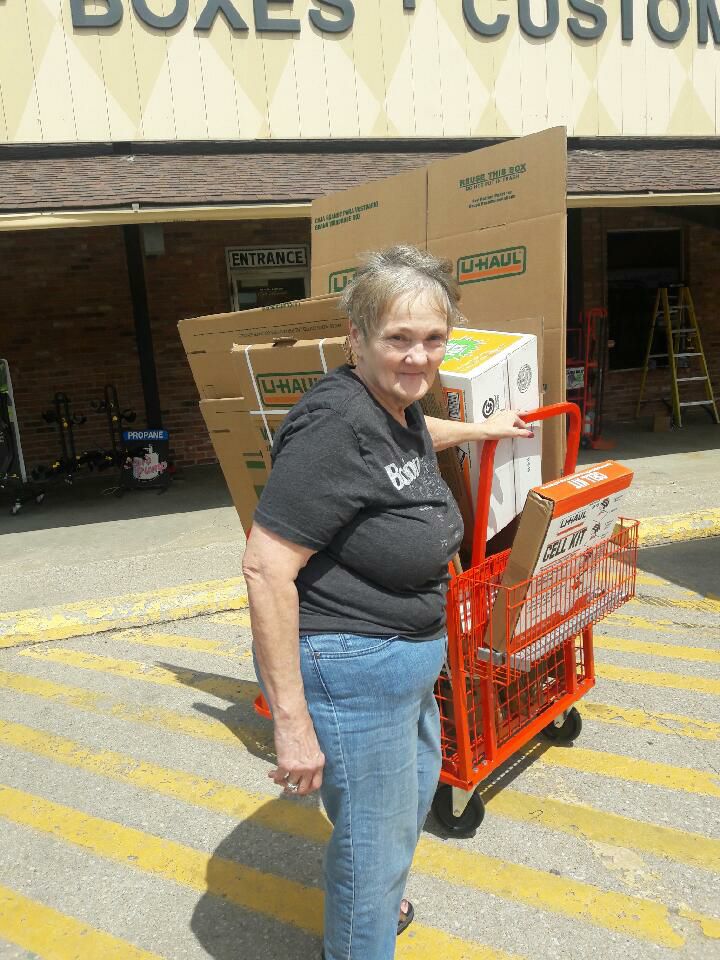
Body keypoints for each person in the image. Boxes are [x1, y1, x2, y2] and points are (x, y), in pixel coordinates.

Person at [242, 245, 532, 960]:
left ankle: (372, 899)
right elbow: (265, 568)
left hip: (400, 662)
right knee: (372, 846)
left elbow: (413, 440)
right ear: (357, 339)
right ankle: (360, 931)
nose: (418, 356)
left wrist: (482, 430)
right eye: (398, 338)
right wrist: (292, 725)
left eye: (434, 338)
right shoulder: (336, 425)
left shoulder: (393, 408)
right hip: (352, 664)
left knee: (401, 810)